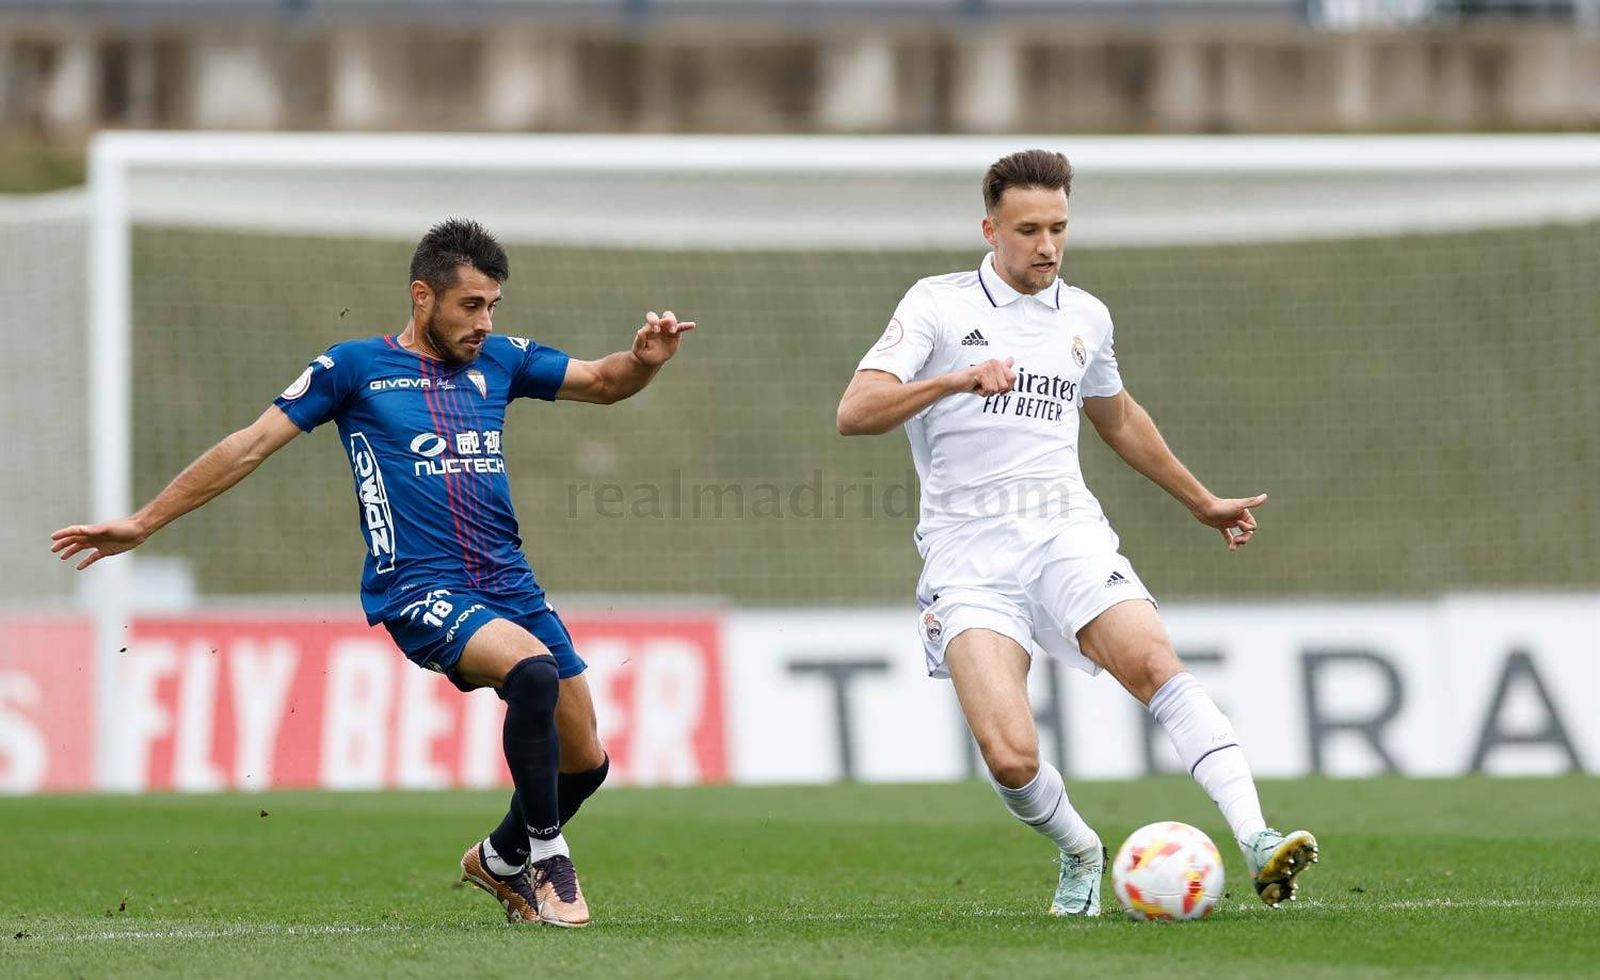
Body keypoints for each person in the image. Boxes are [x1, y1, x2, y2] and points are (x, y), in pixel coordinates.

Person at [51, 218, 695, 928]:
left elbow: (604, 382)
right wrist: (143, 522)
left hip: (509, 585)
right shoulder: (353, 370)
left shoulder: (502, 362)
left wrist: (647, 360)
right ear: (423, 297)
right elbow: (247, 446)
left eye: (492, 307)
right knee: (534, 674)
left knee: (586, 763)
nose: (484, 322)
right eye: (470, 306)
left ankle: (498, 856)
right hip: (419, 589)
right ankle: (547, 856)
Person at [835, 149, 1316, 915]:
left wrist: (1199, 501)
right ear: (990, 229)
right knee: (1009, 754)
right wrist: (954, 379)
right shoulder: (936, 305)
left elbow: (1116, 415)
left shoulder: (1086, 316)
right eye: (1028, 229)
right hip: (968, 558)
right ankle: (1080, 850)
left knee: (1154, 662)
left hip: (1067, 534)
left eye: (1059, 227)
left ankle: (1258, 838)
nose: (1047, 246)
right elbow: (854, 412)